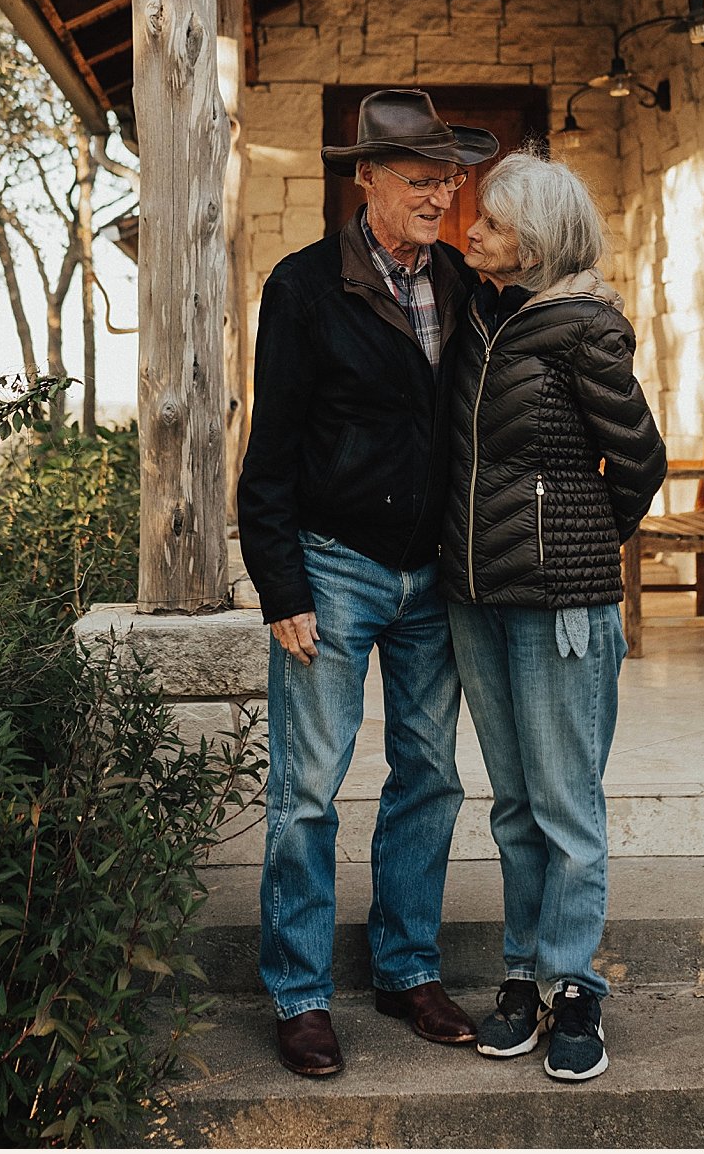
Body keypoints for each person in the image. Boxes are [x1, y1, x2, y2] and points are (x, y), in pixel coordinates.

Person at [237, 89, 499, 1079]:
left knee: (430, 777)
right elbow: (270, 455)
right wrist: (281, 585)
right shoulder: (303, 288)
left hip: (435, 576)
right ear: (369, 180)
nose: (443, 193)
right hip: (334, 568)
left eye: (451, 176)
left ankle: (406, 969)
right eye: (424, 177)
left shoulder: (466, 283)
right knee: (308, 788)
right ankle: (301, 994)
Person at [439, 148, 666, 1083]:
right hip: (476, 600)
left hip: (560, 608)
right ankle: (524, 977)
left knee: (567, 806)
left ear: (530, 241)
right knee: (516, 807)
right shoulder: (486, 319)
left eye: (489, 223)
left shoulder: (582, 332)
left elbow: (640, 463)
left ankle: (576, 991)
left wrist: (574, 543)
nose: (471, 233)